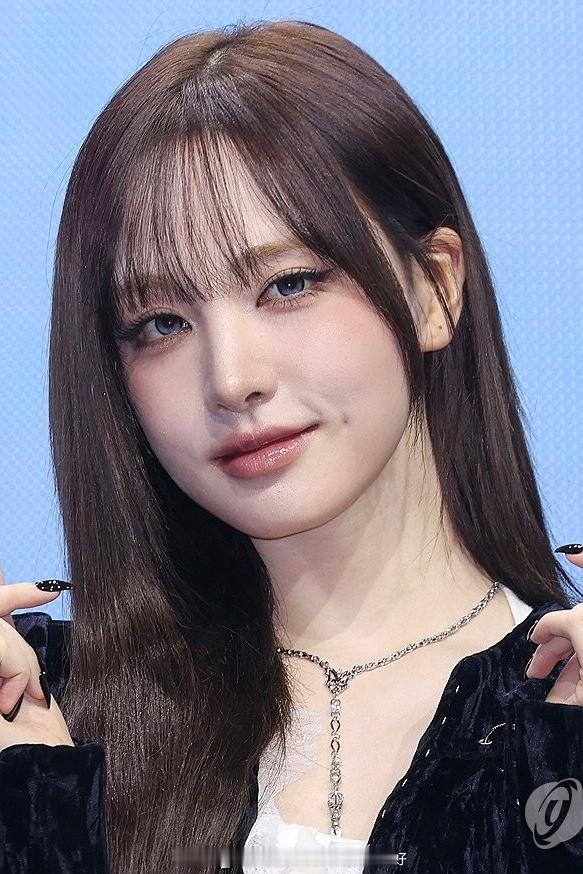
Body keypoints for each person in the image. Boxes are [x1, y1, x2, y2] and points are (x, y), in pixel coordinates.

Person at [0, 17, 581, 874]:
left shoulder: (560, 712)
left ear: (433, 288)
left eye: (289, 283)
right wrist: (36, 816)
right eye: (161, 323)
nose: (231, 378)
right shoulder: (38, 714)